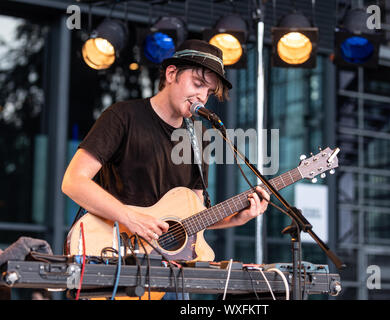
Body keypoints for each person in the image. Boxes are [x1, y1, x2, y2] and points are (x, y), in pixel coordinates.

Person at [61, 39, 270, 299]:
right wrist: (129, 217)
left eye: (208, 91)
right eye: (197, 84)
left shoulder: (200, 137)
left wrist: (235, 219)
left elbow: (191, 219)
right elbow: (73, 181)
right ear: (172, 74)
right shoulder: (122, 117)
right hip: (115, 260)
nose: (202, 97)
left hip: (170, 279)